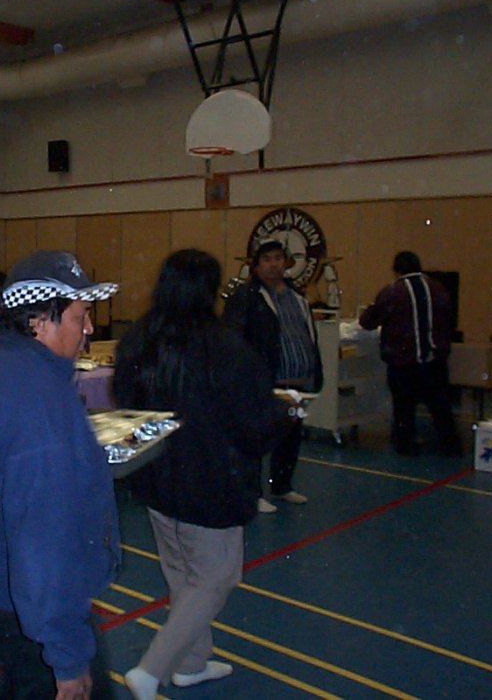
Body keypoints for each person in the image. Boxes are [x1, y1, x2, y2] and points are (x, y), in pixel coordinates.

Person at [114, 250, 296, 699]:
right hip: (211, 480)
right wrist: (286, 411)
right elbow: (254, 428)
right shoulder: (225, 346)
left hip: (157, 476)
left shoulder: (139, 338)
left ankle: (191, 664)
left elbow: (127, 405)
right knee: (216, 578)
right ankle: (151, 669)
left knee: (182, 575)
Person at [0, 249, 121, 700]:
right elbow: (42, 534)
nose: (88, 328)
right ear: (38, 321)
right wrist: (66, 654)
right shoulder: (37, 397)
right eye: (81, 315)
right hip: (31, 606)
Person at [222, 239, 323, 514]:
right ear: (256, 265)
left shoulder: (298, 296)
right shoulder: (246, 297)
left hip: (298, 382)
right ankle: (253, 493)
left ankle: (282, 486)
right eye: (267, 259)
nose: (274, 264)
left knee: (290, 437)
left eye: (278, 258)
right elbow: (232, 338)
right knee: (255, 440)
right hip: (264, 384)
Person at [359, 251, 461, 456]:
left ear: (397, 271)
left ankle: (406, 446)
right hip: (435, 362)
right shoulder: (438, 289)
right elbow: (450, 321)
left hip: (404, 362)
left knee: (404, 409)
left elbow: (367, 322)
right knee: (441, 407)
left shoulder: (392, 292)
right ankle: (451, 447)